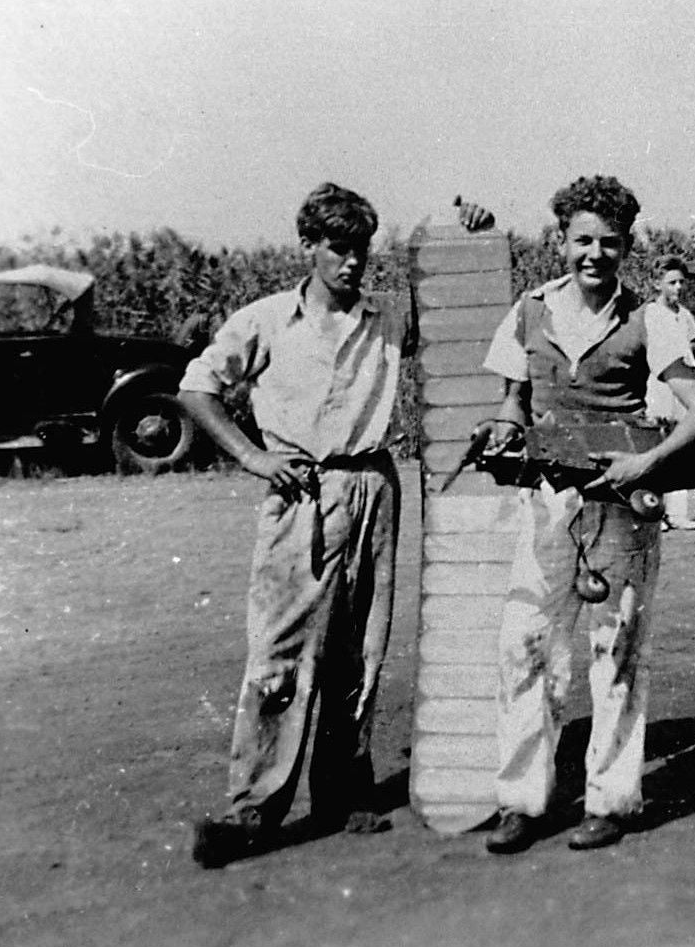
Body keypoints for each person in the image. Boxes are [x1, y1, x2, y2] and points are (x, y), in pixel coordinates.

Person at [180, 183, 493, 868]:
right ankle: (253, 810)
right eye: (338, 249)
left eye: (360, 250)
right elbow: (196, 388)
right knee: (280, 653)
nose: (352, 263)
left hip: (374, 485)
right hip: (300, 490)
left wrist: (469, 232)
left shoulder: (385, 319)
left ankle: (343, 791)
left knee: (361, 647)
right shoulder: (265, 320)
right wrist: (251, 456)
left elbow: (455, 308)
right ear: (309, 248)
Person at [480, 175, 695, 853]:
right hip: (547, 504)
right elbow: (513, 404)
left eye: (609, 243)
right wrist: (502, 430)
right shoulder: (529, 311)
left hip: (620, 504)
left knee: (614, 650)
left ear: (626, 247)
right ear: (560, 240)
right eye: (582, 240)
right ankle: (521, 801)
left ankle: (610, 802)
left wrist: (644, 467)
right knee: (525, 644)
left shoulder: (653, 318)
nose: (594, 254)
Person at [645, 255, 695, 531]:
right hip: (660, 386)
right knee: (658, 446)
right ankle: (655, 512)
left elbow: (691, 352)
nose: (678, 288)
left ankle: (678, 513)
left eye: (681, 282)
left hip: (684, 387)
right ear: (658, 284)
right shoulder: (650, 314)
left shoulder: (685, 315)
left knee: (682, 445)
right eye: (671, 283)